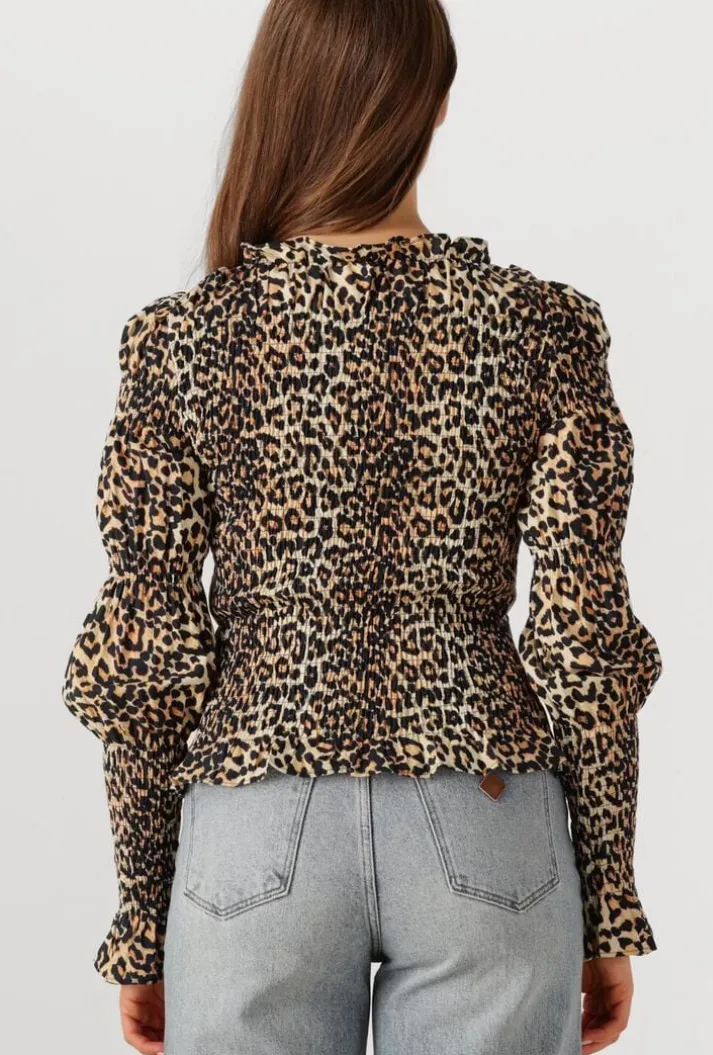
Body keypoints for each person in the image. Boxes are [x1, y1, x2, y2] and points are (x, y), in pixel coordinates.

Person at [60, 1, 663, 1053]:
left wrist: (143, 917)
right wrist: (607, 899)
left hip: (253, 826)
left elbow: (144, 658)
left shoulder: (183, 342)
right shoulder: (540, 330)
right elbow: (583, 643)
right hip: (486, 817)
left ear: (281, 103)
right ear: (436, 104)